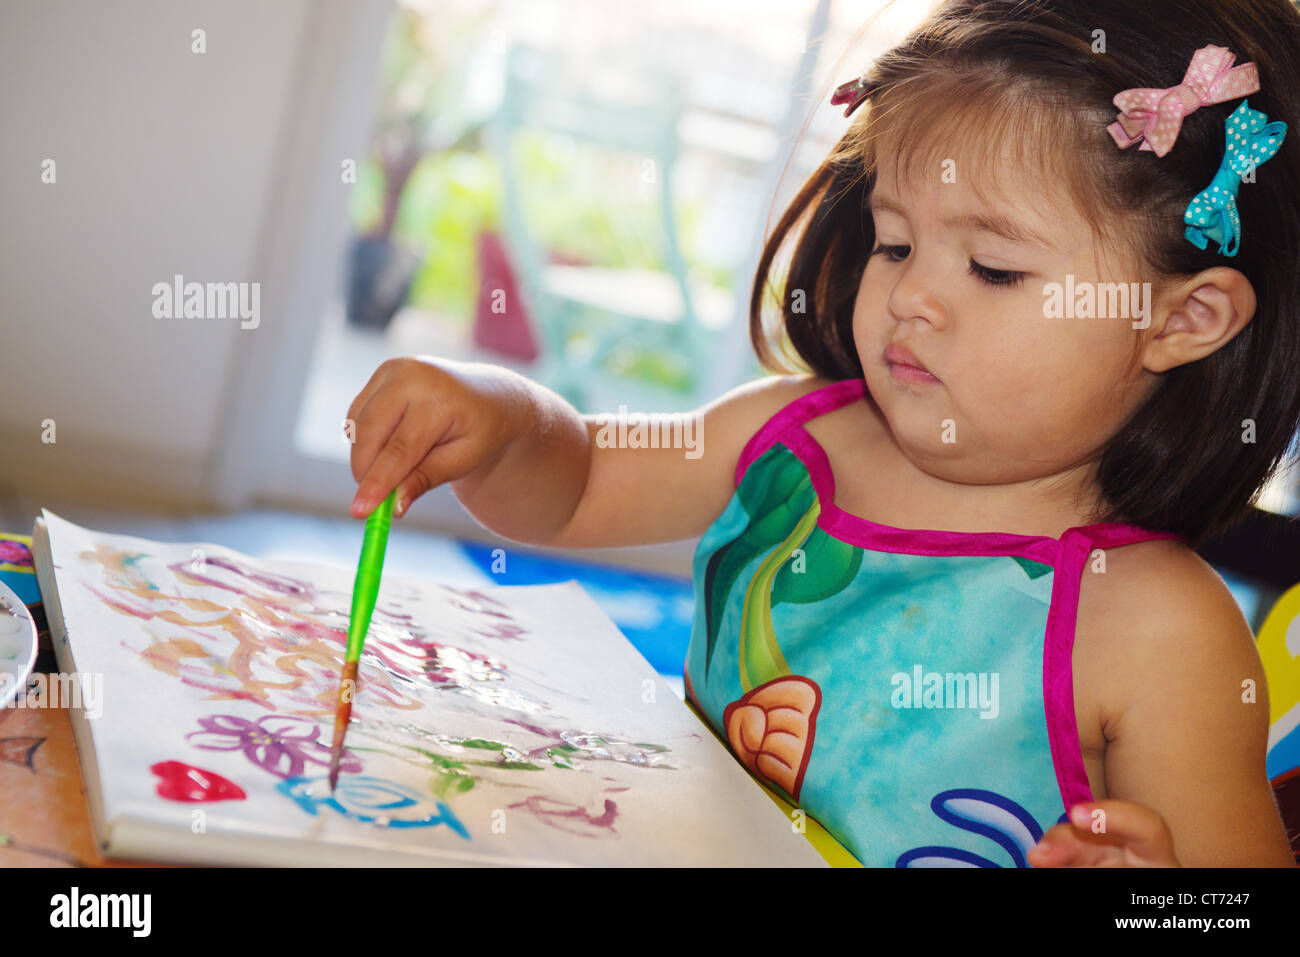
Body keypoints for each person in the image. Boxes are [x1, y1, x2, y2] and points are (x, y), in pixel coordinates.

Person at [344, 0, 1300, 866]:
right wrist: (500, 418)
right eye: (895, 242)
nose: (910, 296)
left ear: (1182, 318)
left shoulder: (1159, 629)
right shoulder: (793, 435)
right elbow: (583, 478)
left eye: (995, 268)